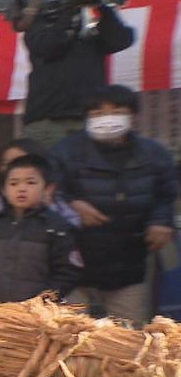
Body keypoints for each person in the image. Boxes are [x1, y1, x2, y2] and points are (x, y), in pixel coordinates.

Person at [50, 84, 176, 324]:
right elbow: (50, 193)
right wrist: (72, 207)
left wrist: (161, 221)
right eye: (98, 114)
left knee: (128, 342)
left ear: (132, 115)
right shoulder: (65, 152)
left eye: (116, 111)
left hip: (129, 268)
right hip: (73, 269)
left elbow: (166, 196)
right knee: (68, 339)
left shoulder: (154, 154)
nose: (107, 119)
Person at [22, 0, 135, 147]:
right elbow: (48, 46)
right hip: (48, 120)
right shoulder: (40, 22)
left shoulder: (92, 27)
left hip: (89, 118)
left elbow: (120, 40)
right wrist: (68, 8)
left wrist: (103, 6)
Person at [0, 154, 80, 307]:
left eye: (30, 183)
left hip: (38, 313)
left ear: (48, 189)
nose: (21, 189)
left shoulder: (57, 227)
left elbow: (67, 273)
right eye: (13, 184)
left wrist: (45, 300)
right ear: (3, 190)